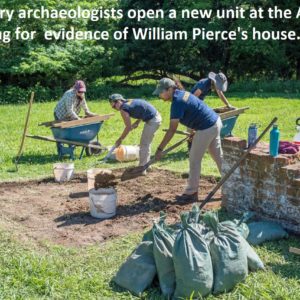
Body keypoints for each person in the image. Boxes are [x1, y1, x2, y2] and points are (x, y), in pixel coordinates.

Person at [153, 78, 223, 201]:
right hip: (215, 122)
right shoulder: (182, 94)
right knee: (218, 157)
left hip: (206, 127)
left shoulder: (177, 102)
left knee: (194, 159)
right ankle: (231, 185)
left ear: (169, 90)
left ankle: (191, 193)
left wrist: (160, 149)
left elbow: (172, 130)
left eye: (161, 92)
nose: (159, 95)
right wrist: (195, 129)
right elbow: (195, 110)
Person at [109, 94, 162, 169]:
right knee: (145, 143)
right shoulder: (129, 101)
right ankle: (146, 165)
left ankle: (142, 167)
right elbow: (141, 107)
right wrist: (137, 121)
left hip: (153, 120)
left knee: (144, 144)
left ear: (118, 101)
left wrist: (120, 139)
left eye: (114, 106)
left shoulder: (123, 109)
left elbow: (128, 127)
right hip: (155, 116)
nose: (114, 108)